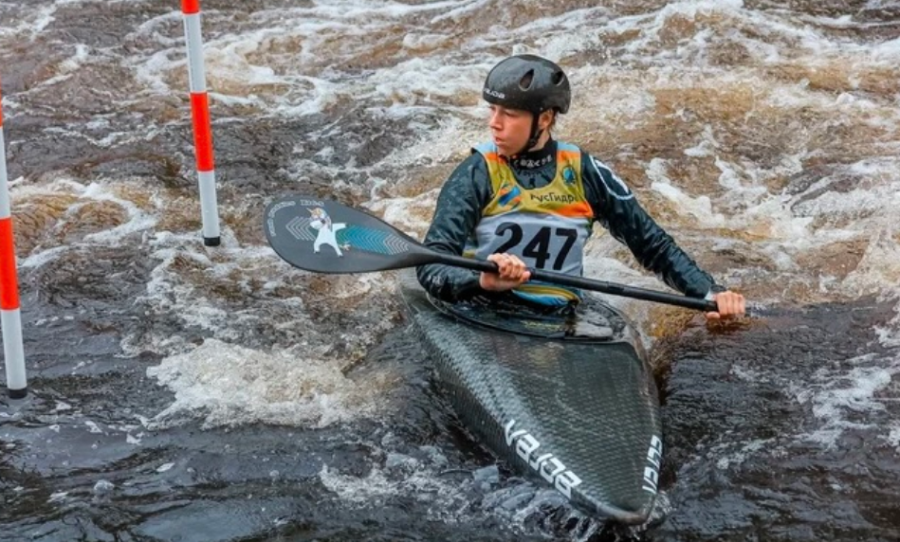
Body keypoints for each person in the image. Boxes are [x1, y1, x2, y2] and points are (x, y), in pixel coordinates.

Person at [416, 54, 745, 320]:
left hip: (559, 316)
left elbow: (652, 245)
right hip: (482, 307)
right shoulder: (477, 171)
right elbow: (433, 262)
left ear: (544, 119)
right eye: (493, 110)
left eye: (509, 114)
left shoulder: (586, 172)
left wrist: (709, 293)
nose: (494, 123)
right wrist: (483, 280)